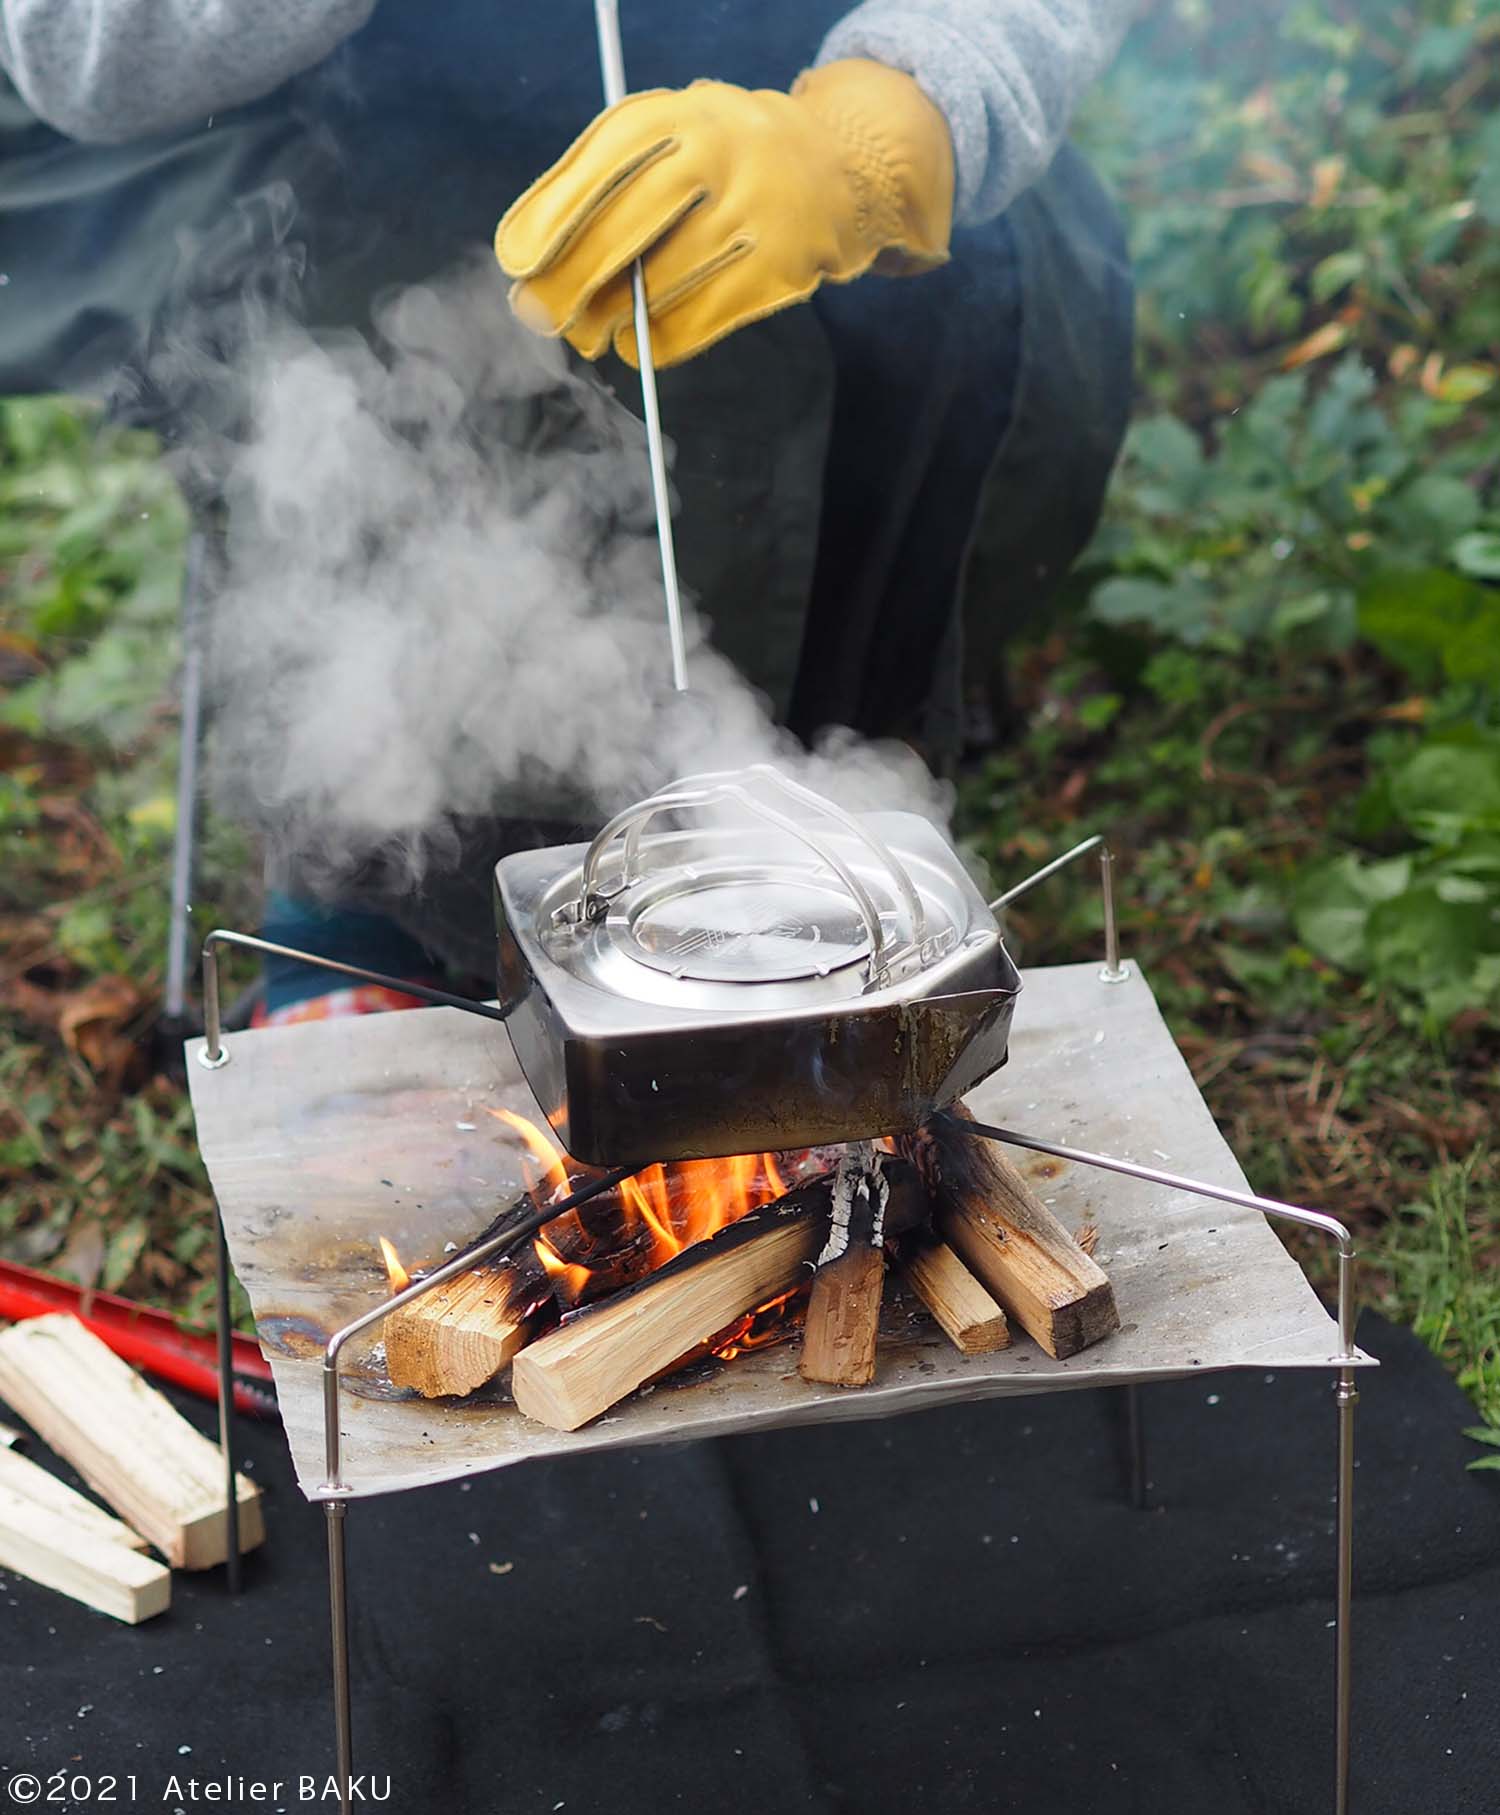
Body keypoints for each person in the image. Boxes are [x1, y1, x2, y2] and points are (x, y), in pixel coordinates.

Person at [0, 1, 1136, 1019]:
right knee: (417, 355)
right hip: (330, 123)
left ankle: (826, 855)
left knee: (971, 319)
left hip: (804, 106)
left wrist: (899, 115)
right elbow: (78, 47)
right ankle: (366, 909)